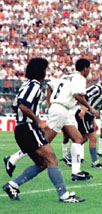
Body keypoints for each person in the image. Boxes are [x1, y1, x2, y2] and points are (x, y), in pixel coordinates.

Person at [2, 58, 85, 202]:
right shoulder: (34, 85)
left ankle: (12, 185)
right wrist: (39, 121)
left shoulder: (26, 85)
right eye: (45, 70)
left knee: (42, 163)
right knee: (52, 159)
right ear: (40, 71)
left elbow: (18, 105)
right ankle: (64, 196)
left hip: (22, 128)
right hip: (28, 128)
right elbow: (23, 106)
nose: (46, 73)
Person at [46, 58, 99, 181]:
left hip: (64, 109)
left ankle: (76, 172)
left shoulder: (66, 76)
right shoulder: (80, 78)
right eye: (89, 69)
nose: (89, 71)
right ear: (85, 68)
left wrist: (49, 102)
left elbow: (49, 85)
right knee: (43, 141)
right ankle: (13, 158)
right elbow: (77, 95)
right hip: (61, 109)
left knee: (78, 138)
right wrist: (90, 108)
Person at [69, 72, 102, 168]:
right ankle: (94, 162)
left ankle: (69, 156)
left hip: (89, 116)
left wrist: (94, 120)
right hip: (84, 114)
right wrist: (83, 109)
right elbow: (83, 96)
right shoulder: (97, 88)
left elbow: (96, 106)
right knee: (91, 137)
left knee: (83, 138)